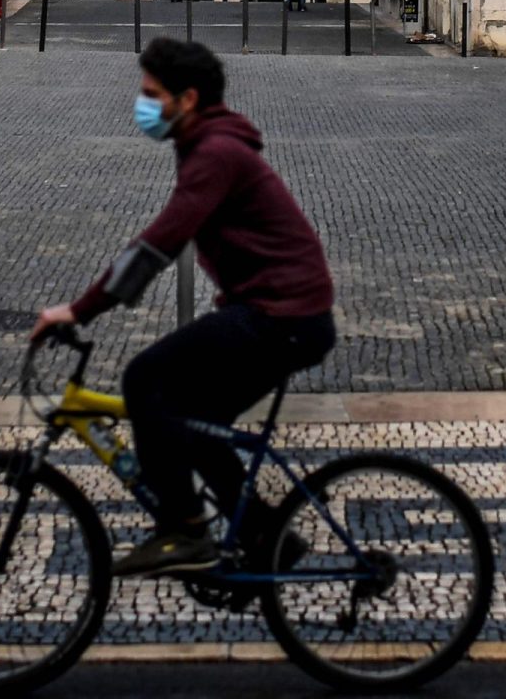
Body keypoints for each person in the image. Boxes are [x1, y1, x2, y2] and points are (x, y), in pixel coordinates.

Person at [32, 39, 336, 577]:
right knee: (194, 424)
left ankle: (184, 529)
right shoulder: (205, 143)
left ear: (188, 98)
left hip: (282, 315)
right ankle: (265, 536)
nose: (141, 105)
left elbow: (161, 242)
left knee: (145, 379)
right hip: (282, 312)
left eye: (151, 94)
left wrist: (80, 311)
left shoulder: (216, 153)